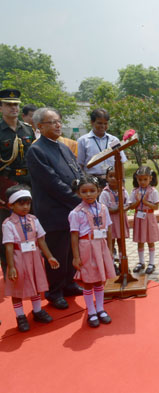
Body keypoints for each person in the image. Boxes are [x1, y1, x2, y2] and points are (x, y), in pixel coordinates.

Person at [26, 107, 83, 310]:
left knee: (70, 250)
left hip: (71, 211)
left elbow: (76, 172)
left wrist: (85, 190)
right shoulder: (37, 150)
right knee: (57, 253)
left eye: (59, 121)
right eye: (52, 122)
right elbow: (53, 184)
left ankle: (68, 284)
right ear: (39, 126)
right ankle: (54, 291)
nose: (58, 125)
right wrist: (79, 202)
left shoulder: (63, 147)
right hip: (54, 211)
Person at [3, 185, 60, 332]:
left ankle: (37, 311)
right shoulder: (8, 224)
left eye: (28, 203)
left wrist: (50, 256)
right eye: (21, 204)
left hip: (34, 257)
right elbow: (9, 246)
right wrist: (11, 267)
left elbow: (41, 240)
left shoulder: (34, 220)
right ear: (11, 205)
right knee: (17, 288)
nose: (25, 207)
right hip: (18, 259)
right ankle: (20, 316)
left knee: (36, 285)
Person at [69, 175, 115, 327]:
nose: (88, 194)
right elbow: (74, 235)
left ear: (99, 191)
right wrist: (76, 257)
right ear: (78, 193)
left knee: (100, 279)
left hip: (100, 245)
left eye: (92, 191)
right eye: (84, 191)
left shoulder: (103, 208)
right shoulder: (76, 213)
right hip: (86, 246)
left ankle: (101, 308)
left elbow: (108, 229)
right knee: (89, 280)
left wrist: (109, 249)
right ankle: (91, 311)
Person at [0, 89, 35, 275]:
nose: (13, 107)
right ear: (1, 107)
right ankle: (10, 272)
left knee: (31, 226)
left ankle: (32, 271)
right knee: (7, 231)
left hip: (28, 183)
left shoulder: (27, 129)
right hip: (7, 184)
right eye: (8, 104)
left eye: (15, 104)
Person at [77, 108, 126, 187]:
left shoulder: (114, 140)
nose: (103, 126)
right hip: (92, 182)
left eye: (105, 123)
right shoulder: (83, 141)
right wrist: (84, 183)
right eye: (99, 123)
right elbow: (80, 165)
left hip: (112, 182)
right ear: (92, 122)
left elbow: (121, 163)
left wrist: (122, 183)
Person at [128, 166, 159, 274]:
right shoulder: (135, 191)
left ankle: (151, 263)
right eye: (140, 179)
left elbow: (156, 207)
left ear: (150, 178)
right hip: (139, 217)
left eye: (145, 179)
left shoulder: (153, 191)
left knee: (150, 240)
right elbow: (131, 206)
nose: (142, 182)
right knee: (140, 240)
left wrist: (145, 202)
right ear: (136, 179)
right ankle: (141, 262)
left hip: (149, 217)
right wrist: (138, 201)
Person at [98, 166, 129, 275]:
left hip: (120, 220)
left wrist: (122, 208)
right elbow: (103, 208)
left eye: (116, 176)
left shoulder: (123, 191)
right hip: (110, 222)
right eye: (110, 176)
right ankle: (111, 265)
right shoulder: (105, 193)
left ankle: (122, 263)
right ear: (106, 177)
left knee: (121, 242)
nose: (113, 179)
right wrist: (117, 209)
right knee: (110, 243)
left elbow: (127, 204)